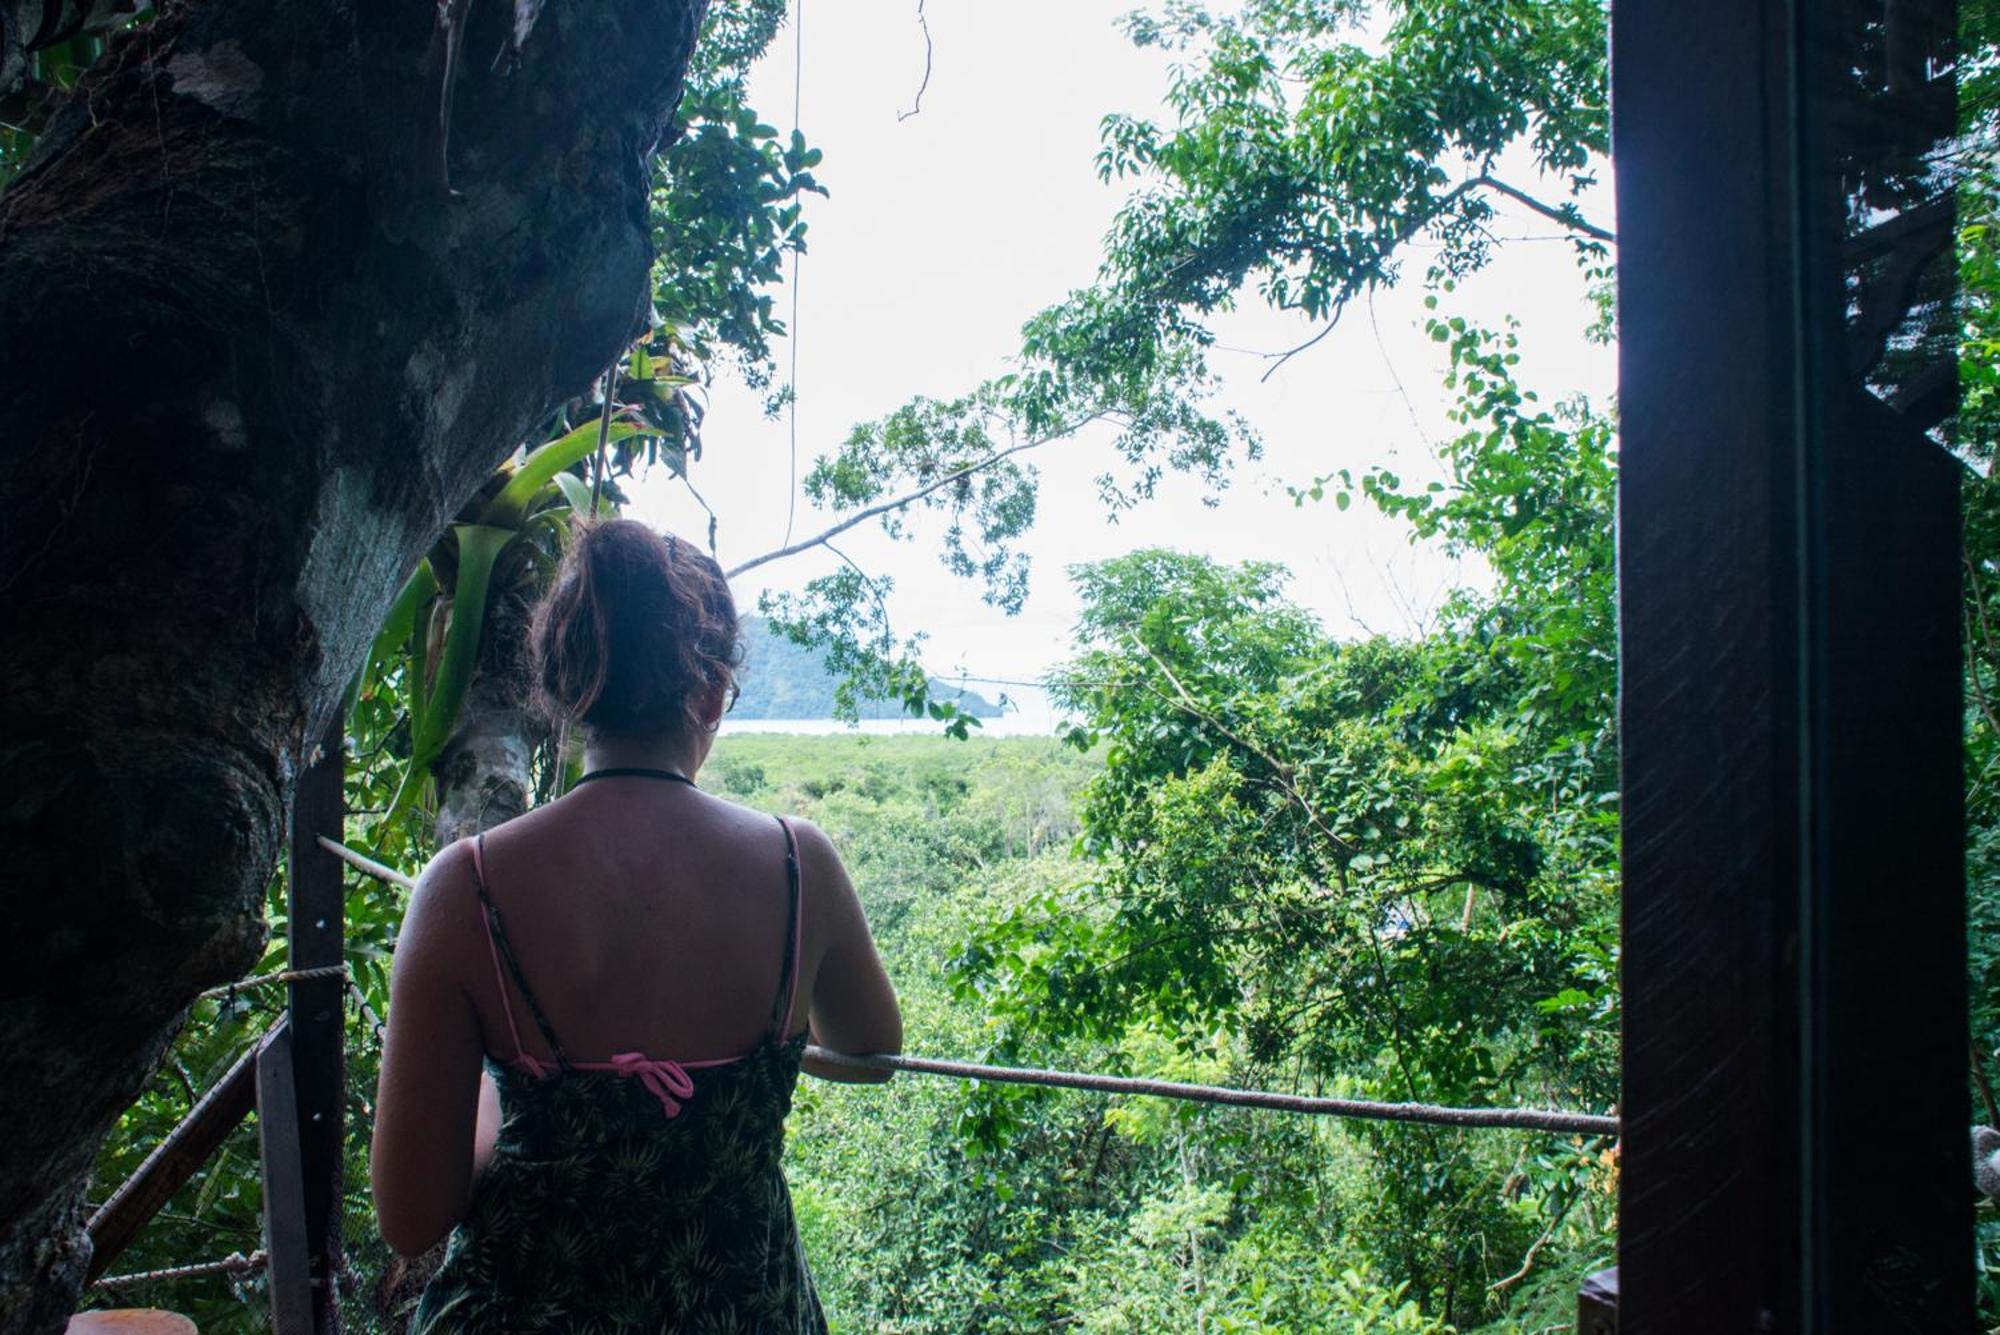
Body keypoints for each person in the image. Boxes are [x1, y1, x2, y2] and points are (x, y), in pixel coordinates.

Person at [371, 519, 902, 1333]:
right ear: (712, 693)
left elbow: (413, 1218)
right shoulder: (801, 865)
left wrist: (495, 1085)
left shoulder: (466, 888)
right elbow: (871, 1047)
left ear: (562, 685)